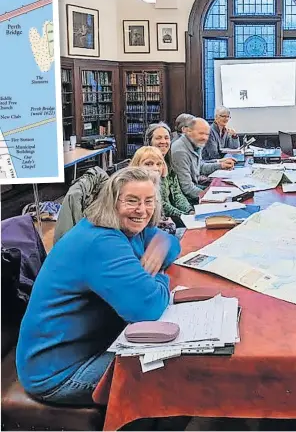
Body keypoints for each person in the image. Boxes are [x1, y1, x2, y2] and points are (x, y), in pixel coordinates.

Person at [16, 167, 181, 405]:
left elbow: (167, 241)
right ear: (112, 201)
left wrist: (163, 244)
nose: (142, 210)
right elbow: (149, 309)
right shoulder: (101, 242)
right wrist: (160, 276)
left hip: (88, 347)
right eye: (132, 201)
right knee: (172, 369)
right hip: (59, 374)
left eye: (149, 202)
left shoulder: (126, 228)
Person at [171, 117, 235, 202]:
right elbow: (187, 188)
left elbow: (200, 167)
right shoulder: (180, 151)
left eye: (207, 134)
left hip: (195, 188)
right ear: (188, 131)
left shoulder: (195, 143)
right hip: (186, 199)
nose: (204, 138)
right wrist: (213, 198)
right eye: (201, 133)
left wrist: (221, 165)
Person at [144, 123, 194, 228]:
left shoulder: (168, 163)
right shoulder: (146, 166)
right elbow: (161, 204)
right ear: (149, 141)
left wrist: (189, 211)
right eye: (158, 138)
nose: (163, 141)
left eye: (166, 138)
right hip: (159, 221)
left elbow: (177, 194)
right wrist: (183, 216)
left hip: (174, 217)